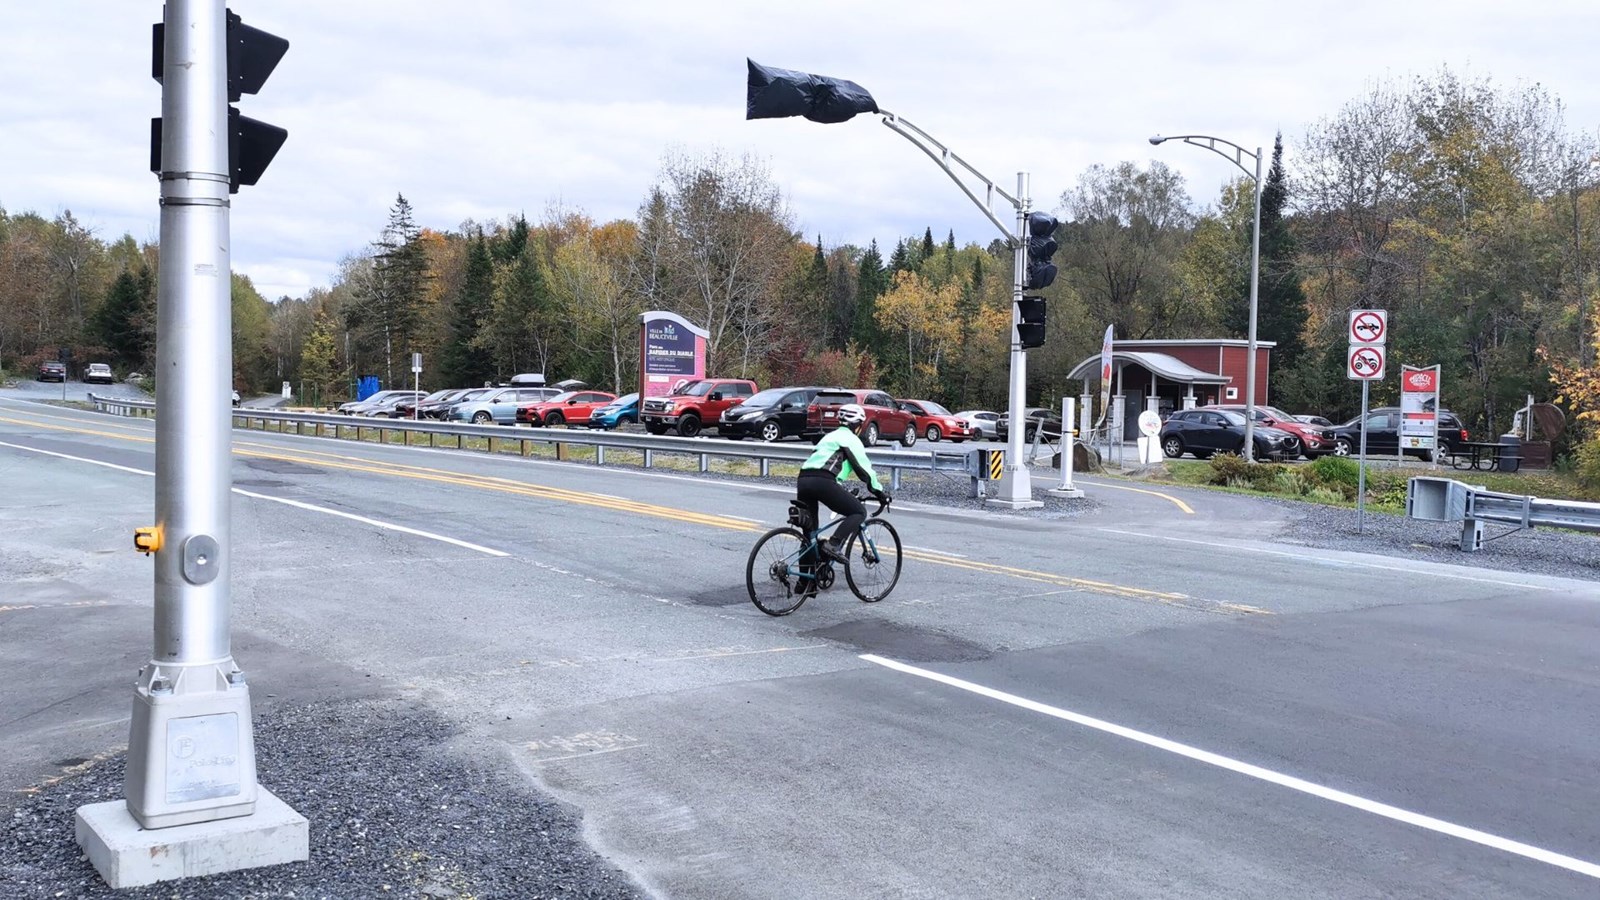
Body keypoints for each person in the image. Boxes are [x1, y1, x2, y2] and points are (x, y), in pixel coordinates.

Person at [797, 403, 890, 564]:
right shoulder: (850, 439)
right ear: (858, 425)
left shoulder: (829, 437)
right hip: (823, 482)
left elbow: (826, 464)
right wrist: (880, 493)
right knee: (859, 512)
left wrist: (839, 487)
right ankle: (833, 544)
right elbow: (864, 470)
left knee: (810, 535)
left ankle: (805, 583)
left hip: (803, 479)